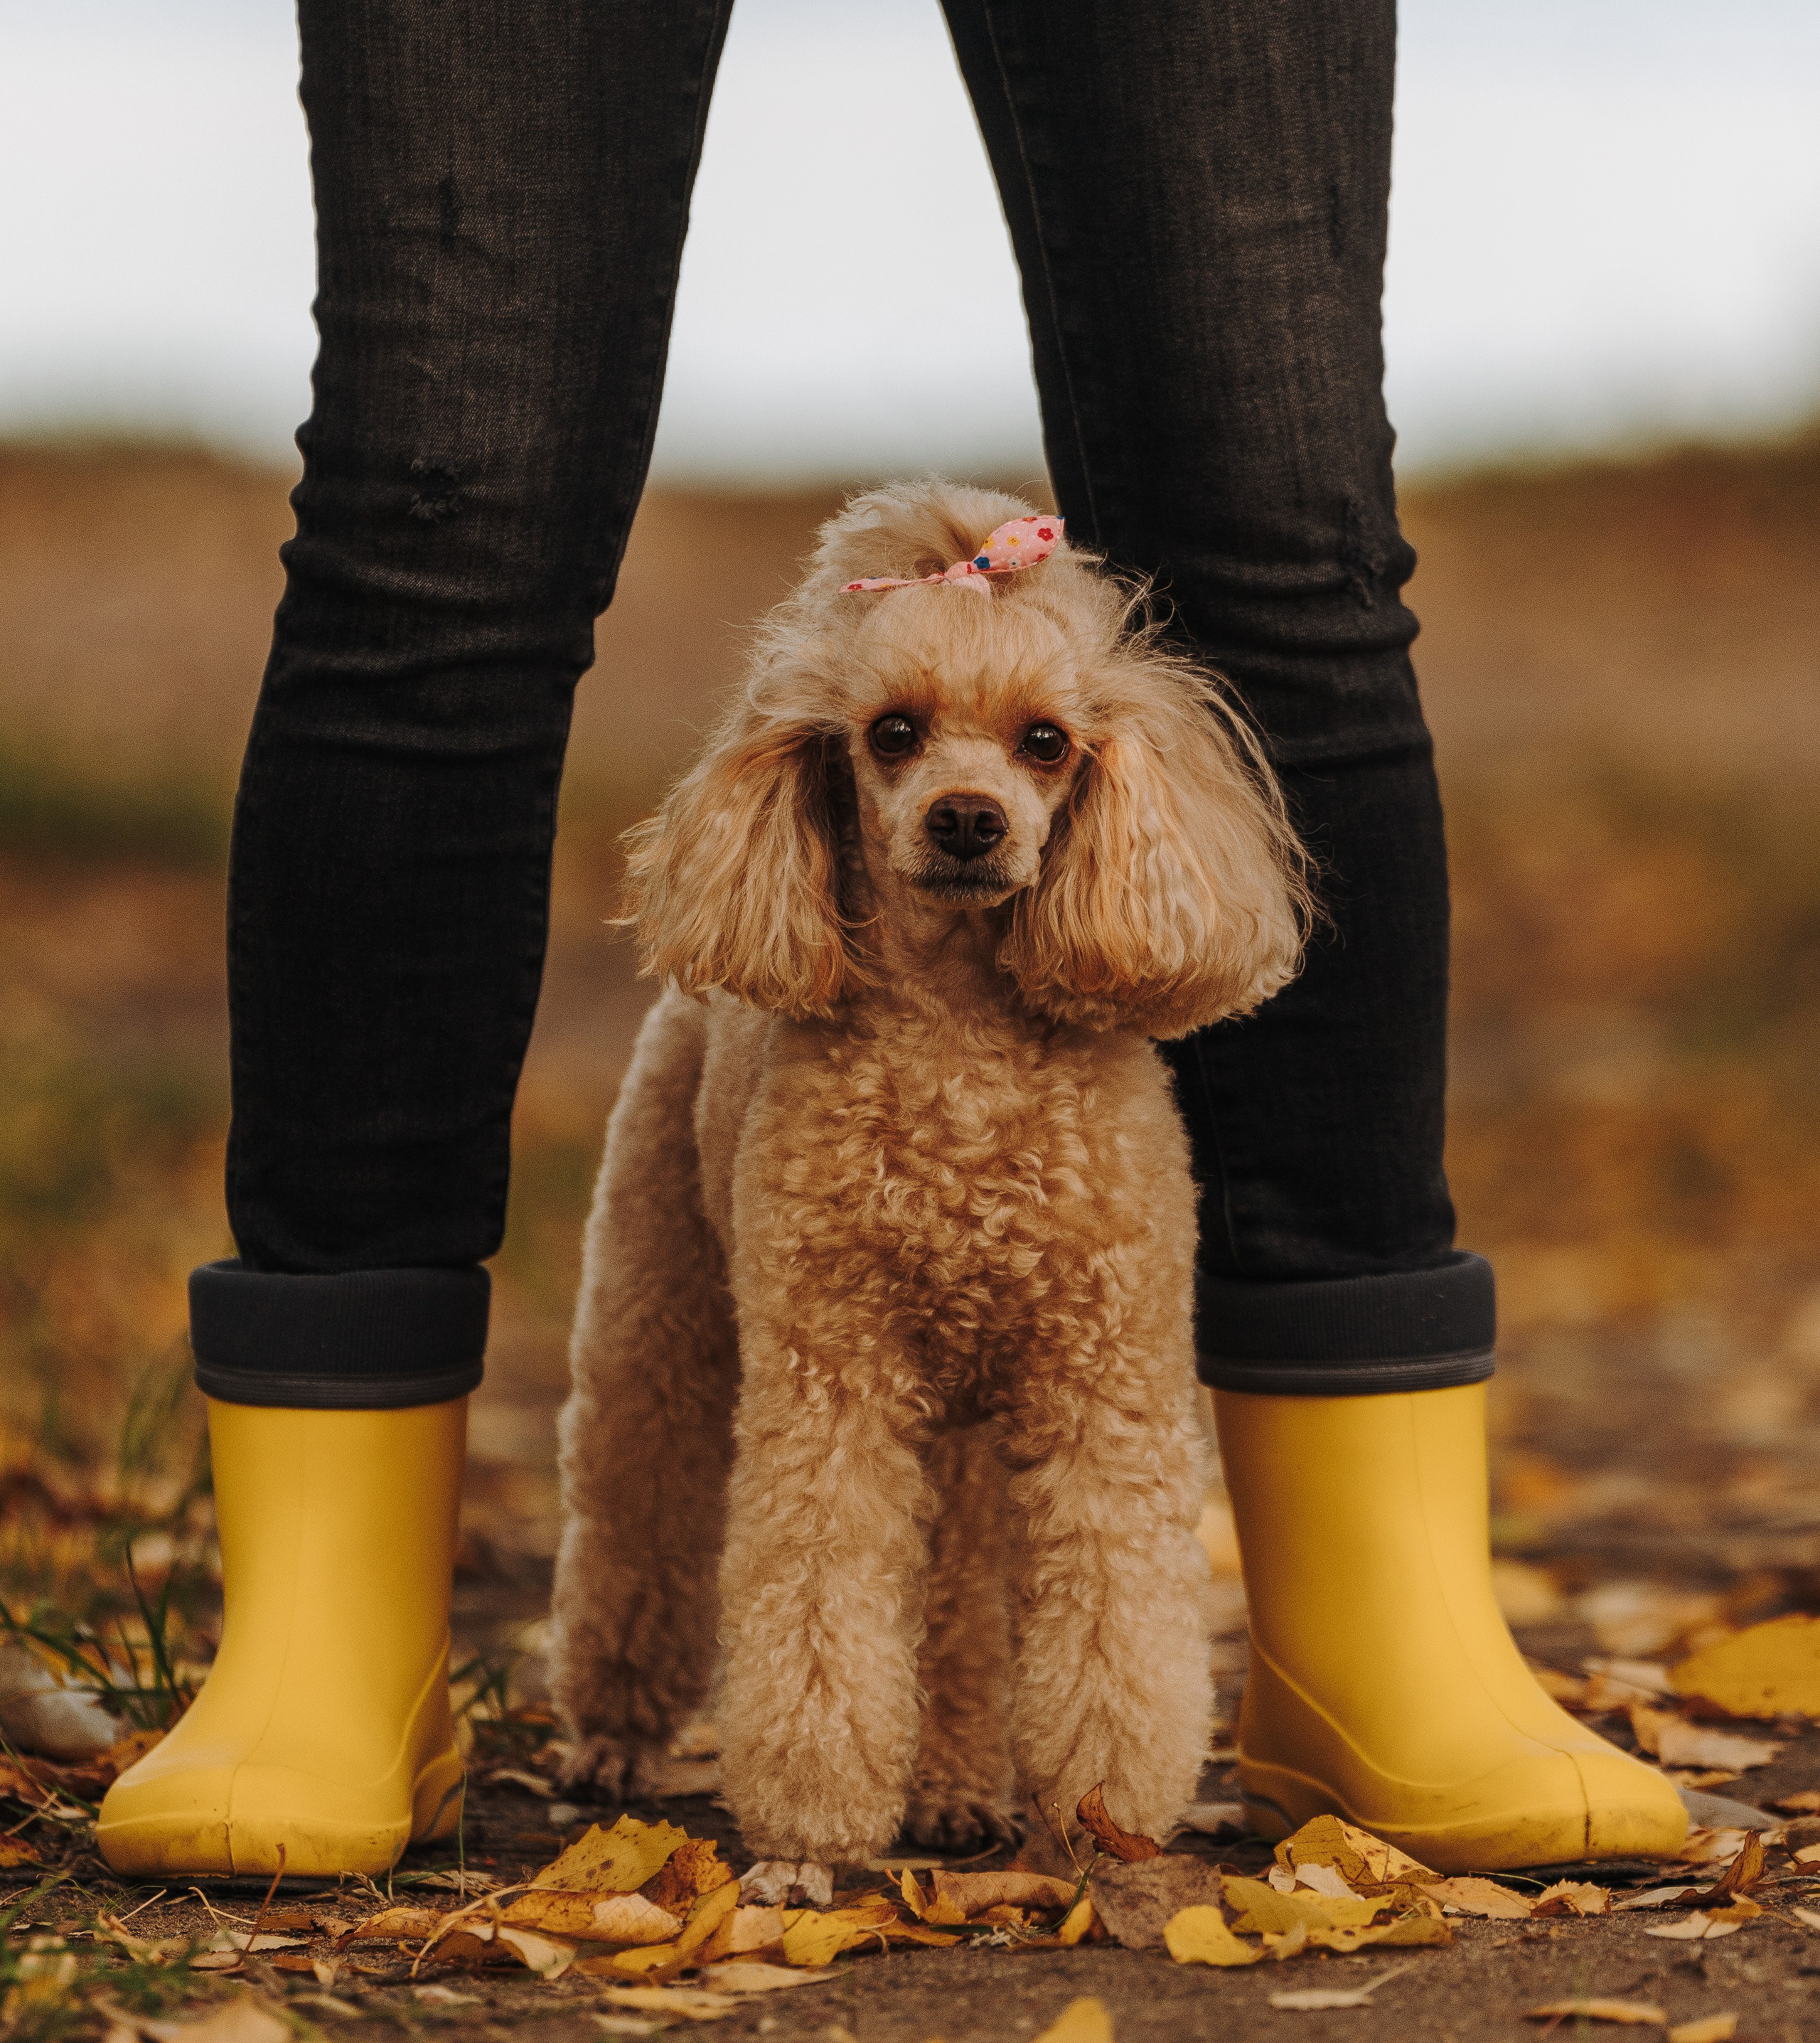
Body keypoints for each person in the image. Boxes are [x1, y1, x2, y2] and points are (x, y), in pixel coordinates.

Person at [97, 0, 1685, 1879]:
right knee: (441, 500)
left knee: (1282, 518)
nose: (968, 788)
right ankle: (336, 1642)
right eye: (907, 737)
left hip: (1063, 1091)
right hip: (819, 1104)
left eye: (1027, 744)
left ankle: (1368, 1628)